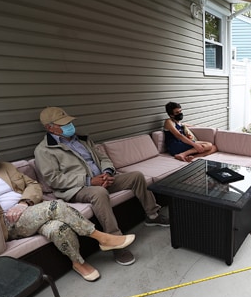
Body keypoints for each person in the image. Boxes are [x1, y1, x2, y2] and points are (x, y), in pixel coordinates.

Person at [0, 129, 135, 282]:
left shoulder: (5, 167)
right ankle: (102, 238)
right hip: (6, 222)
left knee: (58, 228)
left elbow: (33, 185)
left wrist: (24, 202)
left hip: (30, 210)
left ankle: (78, 263)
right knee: (56, 206)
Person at [34, 107, 168, 267]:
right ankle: (115, 241)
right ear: (49, 127)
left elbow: (103, 157)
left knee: (136, 176)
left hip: (102, 180)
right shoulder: (44, 150)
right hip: (77, 188)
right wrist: (89, 181)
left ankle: (152, 215)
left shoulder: (82, 139)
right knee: (99, 193)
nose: (69, 125)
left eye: (69, 121)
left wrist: (107, 172)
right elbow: (54, 179)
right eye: (64, 123)